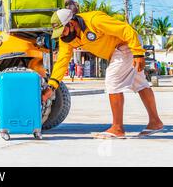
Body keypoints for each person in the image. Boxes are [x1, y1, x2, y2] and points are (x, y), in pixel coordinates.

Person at [42, 9, 163, 139]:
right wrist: (52, 87)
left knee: (112, 81)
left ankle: (117, 128)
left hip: (126, 43)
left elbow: (125, 29)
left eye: (63, 31)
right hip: (116, 51)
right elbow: (62, 62)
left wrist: (138, 52)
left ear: (71, 23)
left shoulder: (94, 20)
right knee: (140, 83)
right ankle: (155, 122)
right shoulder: (67, 39)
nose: (62, 36)